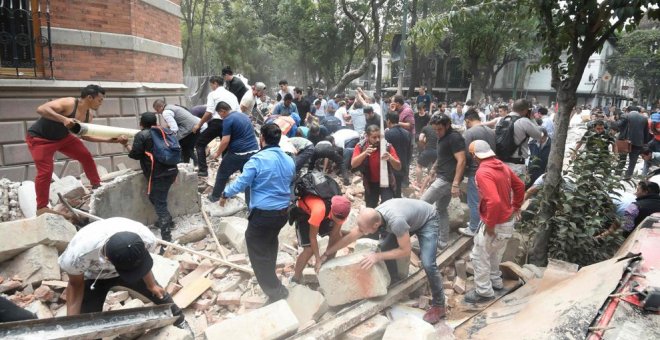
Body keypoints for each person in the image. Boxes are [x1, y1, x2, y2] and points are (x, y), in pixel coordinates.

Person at [321, 198, 447, 324]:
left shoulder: (396, 222)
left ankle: (439, 305)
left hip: (427, 220)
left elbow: (405, 251)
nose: (362, 232)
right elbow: (351, 237)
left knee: (428, 263)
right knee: (385, 247)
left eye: (364, 230)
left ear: (376, 225)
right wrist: (328, 252)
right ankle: (394, 280)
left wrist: (377, 257)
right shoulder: (375, 215)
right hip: (408, 219)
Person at [58, 218, 187, 328]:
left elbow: (141, 263)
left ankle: (179, 320)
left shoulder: (146, 238)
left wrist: (151, 285)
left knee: (160, 294)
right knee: (86, 323)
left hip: (124, 269)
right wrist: (72, 323)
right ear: (107, 260)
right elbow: (75, 285)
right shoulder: (78, 256)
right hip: (94, 277)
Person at [220, 124, 295, 303]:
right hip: (282, 212)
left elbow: (242, 183)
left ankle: (275, 292)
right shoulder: (289, 159)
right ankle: (274, 282)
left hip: (263, 214)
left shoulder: (257, 160)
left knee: (257, 251)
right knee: (269, 244)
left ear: (261, 138)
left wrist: (225, 193)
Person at [26, 85, 126, 215]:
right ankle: (42, 207)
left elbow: (86, 136)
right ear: (90, 97)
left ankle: (96, 185)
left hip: (63, 138)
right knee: (45, 172)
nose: (101, 103)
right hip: (40, 139)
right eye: (100, 100)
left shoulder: (89, 115)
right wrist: (64, 119)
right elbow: (41, 109)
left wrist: (110, 140)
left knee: (85, 156)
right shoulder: (69, 103)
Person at [464, 140, 524, 303]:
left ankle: (483, 291)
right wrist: (516, 206)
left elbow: (494, 201)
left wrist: (490, 224)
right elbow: (519, 186)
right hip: (507, 221)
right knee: (495, 254)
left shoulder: (483, 172)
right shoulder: (502, 166)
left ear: (474, 156)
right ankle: (496, 282)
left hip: (495, 222)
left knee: (479, 255)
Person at [125, 112, 179, 242]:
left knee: (159, 203)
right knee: (155, 197)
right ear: (155, 122)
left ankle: (166, 237)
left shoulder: (142, 135)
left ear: (141, 124)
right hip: (172, 170)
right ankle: (168, 221)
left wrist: (125, 144)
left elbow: (135, 155)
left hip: (157, 174)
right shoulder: (166, 131)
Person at [421, 114, 466, 248]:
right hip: (443, 176)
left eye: (439, 129)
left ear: (447, 125)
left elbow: (462, 160)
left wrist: (456, 184)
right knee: (441, 209)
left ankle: (423, 234)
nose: (437, 132)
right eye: (434, 129)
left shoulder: (454, 138)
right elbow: (442, 156)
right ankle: (443, 240)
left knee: (423, 204)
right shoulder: (442, 137)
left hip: (447, 180)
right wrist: (434, 168)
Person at [208, 102, 260, 203]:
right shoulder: (243, 115)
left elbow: (225, 140)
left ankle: (215, 197)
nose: (220, 117)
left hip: (238, 153)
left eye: (220, 114)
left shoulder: (228, 119)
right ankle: (250, 203)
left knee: (222, 173)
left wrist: (217, 153)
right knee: (248, 178)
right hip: (253, 151)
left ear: (223, 111)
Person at [291, 195, 350, 283]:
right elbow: (313, 237)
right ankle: (295, 279)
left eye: (341, 220)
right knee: (309, 249)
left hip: (325, 214)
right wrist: (318, 259)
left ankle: (328, 265)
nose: (339, 222)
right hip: (304, 214)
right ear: (332, 212)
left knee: (337, 236)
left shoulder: (343, 208)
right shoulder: (319, 211)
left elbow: (335, 234)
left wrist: (326, 255)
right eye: (337, 220)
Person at [458, 109, 496, 237]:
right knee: (484, 201)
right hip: (491, 170)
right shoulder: (491, 131)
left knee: (474, 201)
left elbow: (466, 155)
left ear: (467, 120)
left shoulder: (469, 132)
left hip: (476, 171)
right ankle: (479, 224)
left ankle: (474, 228)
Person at [193, 76, 240, 177]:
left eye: (211, 85)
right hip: (231, 123)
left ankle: (203, 170)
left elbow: (209, 112)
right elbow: (238, 111)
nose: (211, 87)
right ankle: (225, 173)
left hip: (218, 123)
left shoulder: (213, 94)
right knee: (226, 148)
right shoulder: (232, 95)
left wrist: (199, 125)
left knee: (200, 143)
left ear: (215, 83)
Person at [352, 125, 402, 207]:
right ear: (367, 137)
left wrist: (390, 158)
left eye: (379, 137)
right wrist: (364, 154)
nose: (377, 140)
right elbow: (353, 164)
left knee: (387, 206)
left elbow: (398, 167)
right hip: (370, 183)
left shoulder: (387, 146)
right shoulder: (361, 146)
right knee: (371, 207)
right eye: (374, 137)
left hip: (386, 182)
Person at [498, 99, 543, 176]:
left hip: (502, 163)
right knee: (517, 188)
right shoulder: (524, 121)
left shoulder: (502, 120)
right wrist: (532, 118)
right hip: (517, 165)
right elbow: (539, 135)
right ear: (525, 110)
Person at [152, 99, 200, 165]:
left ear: (161, 107)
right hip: (195, 126)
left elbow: (174, 129)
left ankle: (193, 165)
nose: (157, 112)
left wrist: (170, 139)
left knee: (183, 148)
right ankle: (190, 165)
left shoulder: (166, 112)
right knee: (188, 149)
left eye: (157, 110)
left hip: (189, 129)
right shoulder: (171, 107)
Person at [617, 106, 651, 178]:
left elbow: (618, 125)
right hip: (638, 142)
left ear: (628, 110)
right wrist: (645, 143)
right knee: (633, 161)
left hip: (625, 140)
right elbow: (646, 132)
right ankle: (628, 175)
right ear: (638, 111)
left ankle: (618, 173)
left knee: (622, 159)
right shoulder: (644, 118)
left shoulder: (625, 115)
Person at [385, 112, 412, 198]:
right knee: (398, 188)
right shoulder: (407, 133)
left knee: (390, 189)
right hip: (403, 164)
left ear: (389, 121)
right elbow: (409, 151)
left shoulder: (388, 134)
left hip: (391, 166)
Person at [416, 116, 438, 189]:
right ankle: (431, 185)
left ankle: (418, 183)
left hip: (428, 150)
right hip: (438, 152)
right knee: (433, 169)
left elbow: (420, 138)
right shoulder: (440, 129)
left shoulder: (426, 128)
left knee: (419, 166)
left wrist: (424, 145)